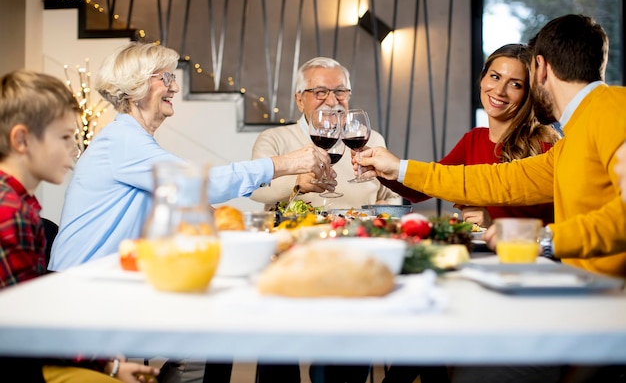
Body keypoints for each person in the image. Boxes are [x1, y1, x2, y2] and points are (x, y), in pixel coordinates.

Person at [355, 14, 626, 383]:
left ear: (540, 69)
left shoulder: (612, 108)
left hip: (604, 318)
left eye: (520, 80)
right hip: (578, 305)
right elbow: (497, 180)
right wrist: (399, 168)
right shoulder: (573, 140)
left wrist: (546, 238)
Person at [48, 42, 332, 271]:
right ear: (136, 86)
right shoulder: (122, 142)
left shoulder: (133, 141)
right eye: (166, 78)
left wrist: (257, 231)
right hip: (79, 283)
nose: (175, 87)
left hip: (104, 278)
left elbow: (191, 201)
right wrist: (286, 163)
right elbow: (204, 183)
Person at [0, 70, 160, 383]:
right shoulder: (11, 214)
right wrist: (107, 365)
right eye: (64, 137)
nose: (75, 149)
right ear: (21, 140)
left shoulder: (18, 205)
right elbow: (28, 324)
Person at [381, 43, 560, 227]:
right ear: (482, 79)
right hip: (483, 254)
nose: (499, 90)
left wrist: (494, 224)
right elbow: (421, 190)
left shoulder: (545, 145)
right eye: (495, 77)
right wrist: (379, 168)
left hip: (528, 255)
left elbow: (557, 227)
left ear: (528, 94)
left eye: (515, 84)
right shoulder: (473, 140)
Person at [250, 56, 401, 210]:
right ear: (300, 100)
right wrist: (296, 183)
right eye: (320, 92)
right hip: (297, 232)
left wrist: (385, 208)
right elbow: (254, 188)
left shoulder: (372, 140)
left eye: (340, 91)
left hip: (356, 232)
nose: (332, 101)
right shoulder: (273, 139)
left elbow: (393, 196)